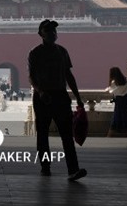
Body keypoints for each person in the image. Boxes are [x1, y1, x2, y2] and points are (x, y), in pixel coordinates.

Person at [28, 19, 87, 181]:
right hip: (43, 97)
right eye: (48, 31)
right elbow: (31, 77)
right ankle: (45, 167)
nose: (53, 34)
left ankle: (73, 169)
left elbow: (69, 76)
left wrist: (78, 97)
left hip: (61, 95)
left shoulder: (62, 51)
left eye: (54, 31)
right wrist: (40, 92)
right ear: (41, 34)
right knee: (43, 135)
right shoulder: (35, 53)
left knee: (67, 134)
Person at [106, 66, 127, 137]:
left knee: (116, 119)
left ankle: (108, 136)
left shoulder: (114, 82)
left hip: (119, 103)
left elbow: (112, 91)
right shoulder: (126, 80)